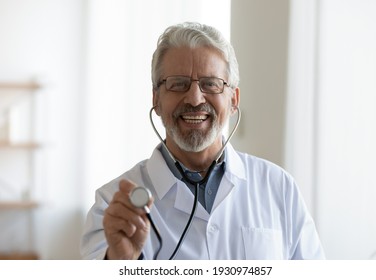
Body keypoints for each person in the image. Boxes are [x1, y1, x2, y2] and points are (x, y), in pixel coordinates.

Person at [80, 22, 325, 260]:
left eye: (211, 84)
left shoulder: (279, 187)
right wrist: (119, 263)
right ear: (156, 99)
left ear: (233, 100)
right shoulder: (114, 205)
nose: (195, 99)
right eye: (178, 84)